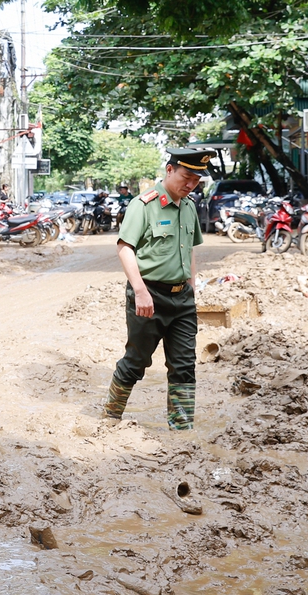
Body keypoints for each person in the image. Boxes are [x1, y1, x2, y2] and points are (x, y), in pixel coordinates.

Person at [102, 148, 215, 431]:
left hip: (182, 300)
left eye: (196, 181)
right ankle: (110, 417)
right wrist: (139, 290)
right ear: (169, 170)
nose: (190, 185)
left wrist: (192, 287)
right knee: (136, 361)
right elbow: (124, 248)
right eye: (186, 177)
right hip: (148, 296)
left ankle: (181, 429)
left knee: (184, 365)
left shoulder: (189, 207)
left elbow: (188, 250)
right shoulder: (143, 205)